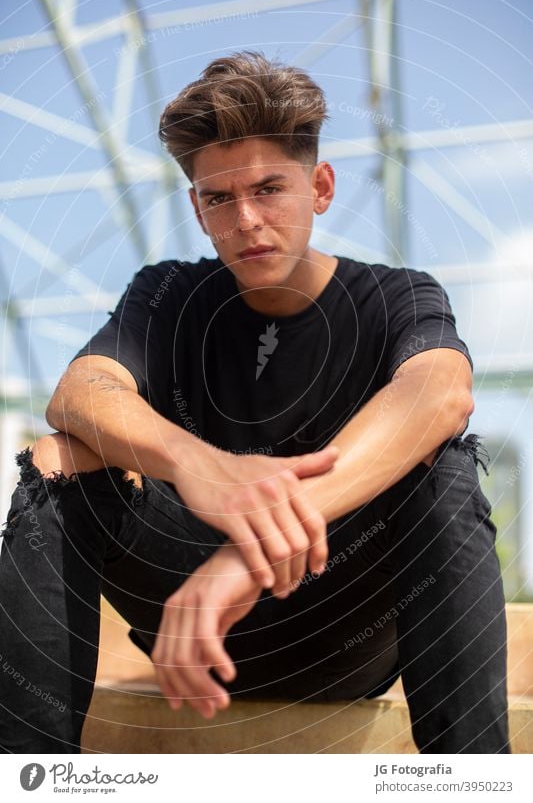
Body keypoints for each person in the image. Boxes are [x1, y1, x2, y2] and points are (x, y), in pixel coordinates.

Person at [0, 51, 509, 754]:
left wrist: (246, 552)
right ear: (197, 208)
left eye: (270, 188)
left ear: (320, 186)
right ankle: (27, 772)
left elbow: (440, 390)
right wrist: (194, 464)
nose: (245, 219)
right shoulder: (170, 293)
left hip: (343, 631)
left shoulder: (395, 294)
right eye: (218, 198)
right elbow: (79, 391)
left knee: (442, 468)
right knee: (59, 456)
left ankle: (473, 780)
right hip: (189, 624)